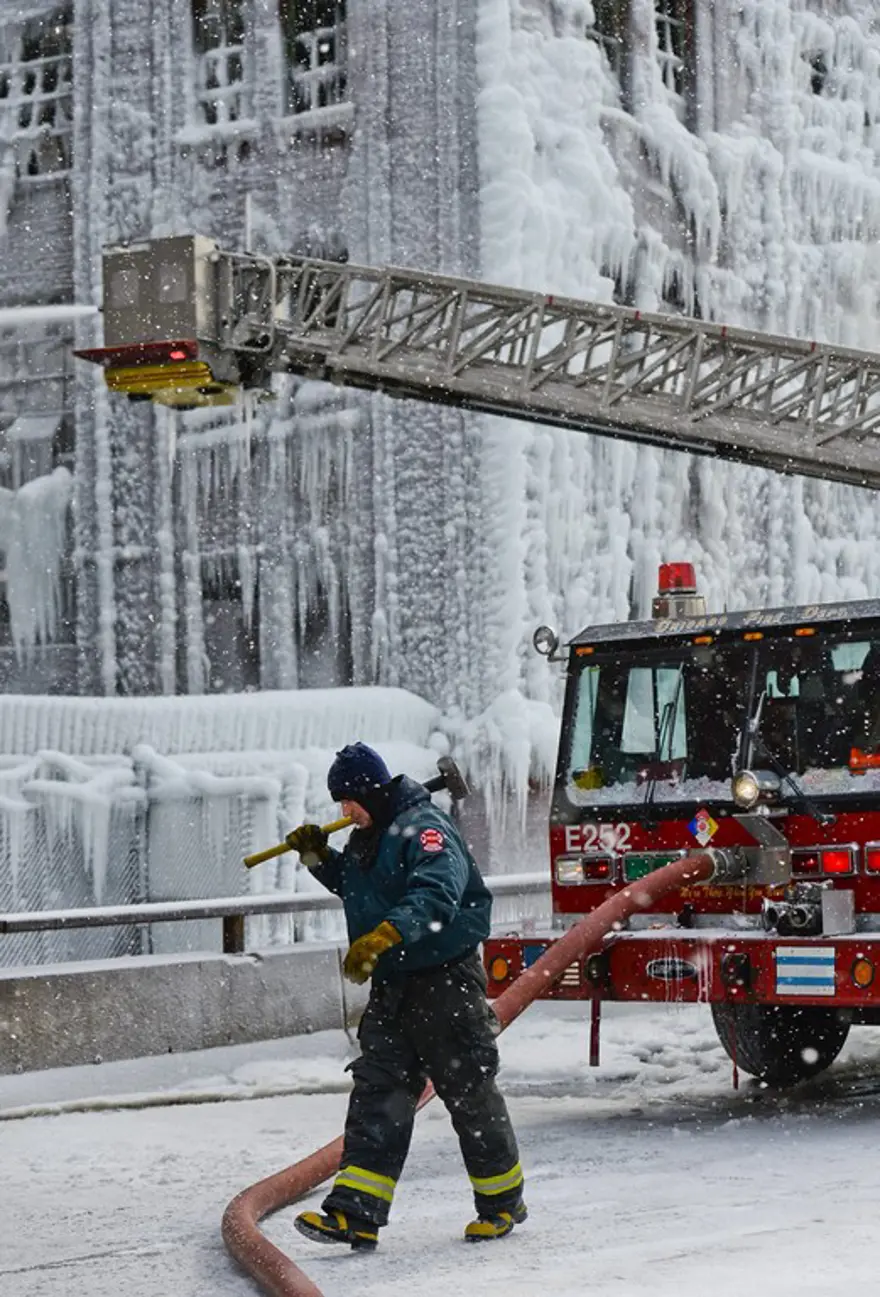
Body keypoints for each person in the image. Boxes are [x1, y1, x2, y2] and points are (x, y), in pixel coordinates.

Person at [285, 742, 525, 1251]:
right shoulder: (368, 837)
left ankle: (502, 1204)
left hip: (444, 982)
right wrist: (318, 857)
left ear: (371, 789)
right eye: (339, 804)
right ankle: (355, 1214)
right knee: (379, 1092)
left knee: (468, 1092)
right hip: (394, 987)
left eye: (349, 800)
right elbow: (363, 887)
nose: (344, 812)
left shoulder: (425, 830)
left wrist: (381, 938)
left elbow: (436, 893)